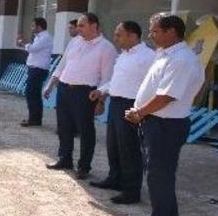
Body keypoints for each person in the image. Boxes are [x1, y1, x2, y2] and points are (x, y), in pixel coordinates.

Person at [124, 15, 204, 216]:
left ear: (171, 32)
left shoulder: (181, 59)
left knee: (159, 175)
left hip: (166, 125)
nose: (150, 35)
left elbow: (167, 96)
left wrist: (139, 113)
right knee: (161, 175)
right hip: (156, 122)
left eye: (155, 31)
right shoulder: (166, 54)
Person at [43, 13, 117, 179]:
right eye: (78, 26)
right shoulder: (75, 41)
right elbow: (62, 65)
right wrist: (50, 85)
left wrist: (101, 101)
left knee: (85, 130)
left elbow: (107, 78)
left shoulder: (106, 48)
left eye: (82, 26)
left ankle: (84, 166)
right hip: (64, 89)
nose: (78, 29)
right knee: (64, 127)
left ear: (94, 26)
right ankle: (65, 158)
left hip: (85, 93)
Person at [88, 21, 154, 204]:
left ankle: (131, 191)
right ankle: (115, 178)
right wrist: (101, 91)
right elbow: (116, 81)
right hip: (116, 103)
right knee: (114, 145)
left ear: (132, 35)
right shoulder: (123, 55)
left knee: (130, 149)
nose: (115, 38)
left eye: (119, 34)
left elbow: (153, 85)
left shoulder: (148, 56)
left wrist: (142, 110)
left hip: (132, 105)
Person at [17, 17, 52, 127]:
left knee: (31, 93)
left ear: (39, 26)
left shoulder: (45, 37)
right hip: (34, 69)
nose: (31, 28)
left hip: (38, 70)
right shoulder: (39, 37)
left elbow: (33, 49)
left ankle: (34, 119)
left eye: (33, 26)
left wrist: (23, 43)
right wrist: (26, 45)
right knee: (34, 94)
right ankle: (35, 119)